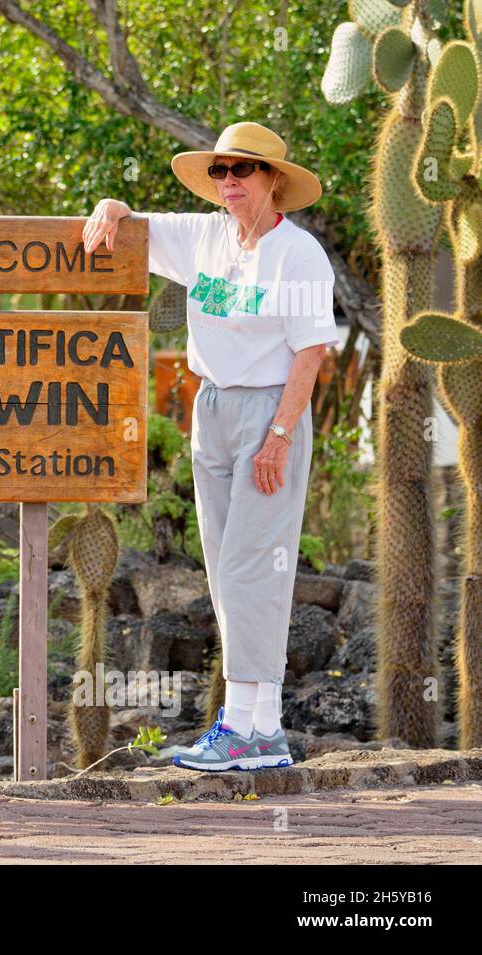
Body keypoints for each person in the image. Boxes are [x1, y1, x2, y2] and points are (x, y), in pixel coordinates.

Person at [82, 121, 340, 771]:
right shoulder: (204, 236)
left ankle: (260, 730)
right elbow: (135, 227)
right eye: (221, 170)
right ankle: (245, 725)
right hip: (213, 408)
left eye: (242, 170)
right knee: (226, 569)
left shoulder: (299, 254)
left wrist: (280, 434)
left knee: (255, 566)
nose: (229, 182)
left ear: (273, 180)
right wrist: (111, 207)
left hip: (269, 410)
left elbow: (311, 352)